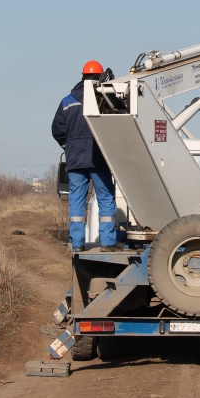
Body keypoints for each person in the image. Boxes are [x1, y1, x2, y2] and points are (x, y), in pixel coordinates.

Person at [52, 60, 120, 253]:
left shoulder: (67, 101)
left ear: (82, 77)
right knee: (105, 198)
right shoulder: (106, 99)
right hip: (98, 159)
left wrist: (70, 146)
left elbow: (57, 130)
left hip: (74, 161)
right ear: (99, 77)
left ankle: (77, 244)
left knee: (77, 200)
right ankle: (107, 243)